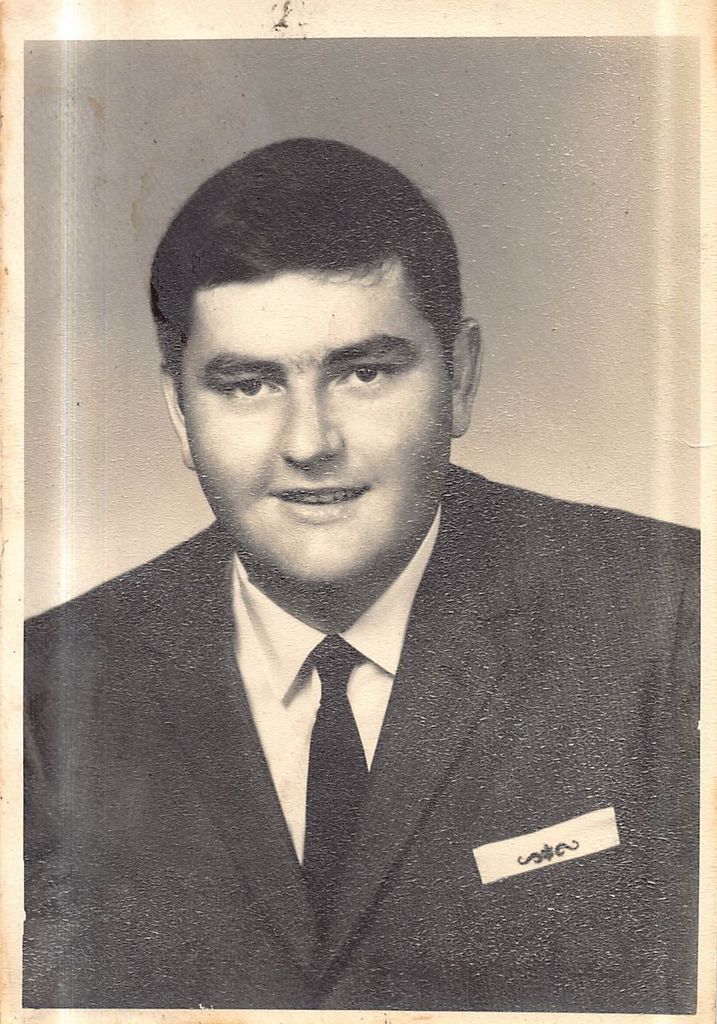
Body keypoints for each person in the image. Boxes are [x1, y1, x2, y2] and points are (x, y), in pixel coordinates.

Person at [23, 138, 699, 1012]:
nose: (309, 442)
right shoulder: (43, 691)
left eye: (364, 372)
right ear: (180, 414)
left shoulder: (674, 617)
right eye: (247, 385)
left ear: (460, 377)